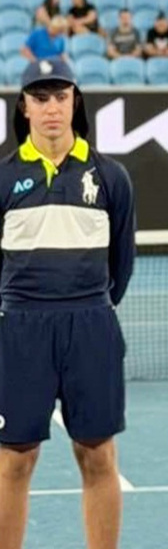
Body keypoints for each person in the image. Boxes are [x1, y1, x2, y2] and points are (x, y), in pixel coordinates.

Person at [0, 58, 136, 549]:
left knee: (98, 455)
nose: (51, 107)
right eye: (41, 97)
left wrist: (92, 306)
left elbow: (121, 262)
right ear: (24, 107)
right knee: (15, 459)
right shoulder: (3, 177)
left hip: (91, 327)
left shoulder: (111, 177)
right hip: (20, 330)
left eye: (60, 96)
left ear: (75, 100)